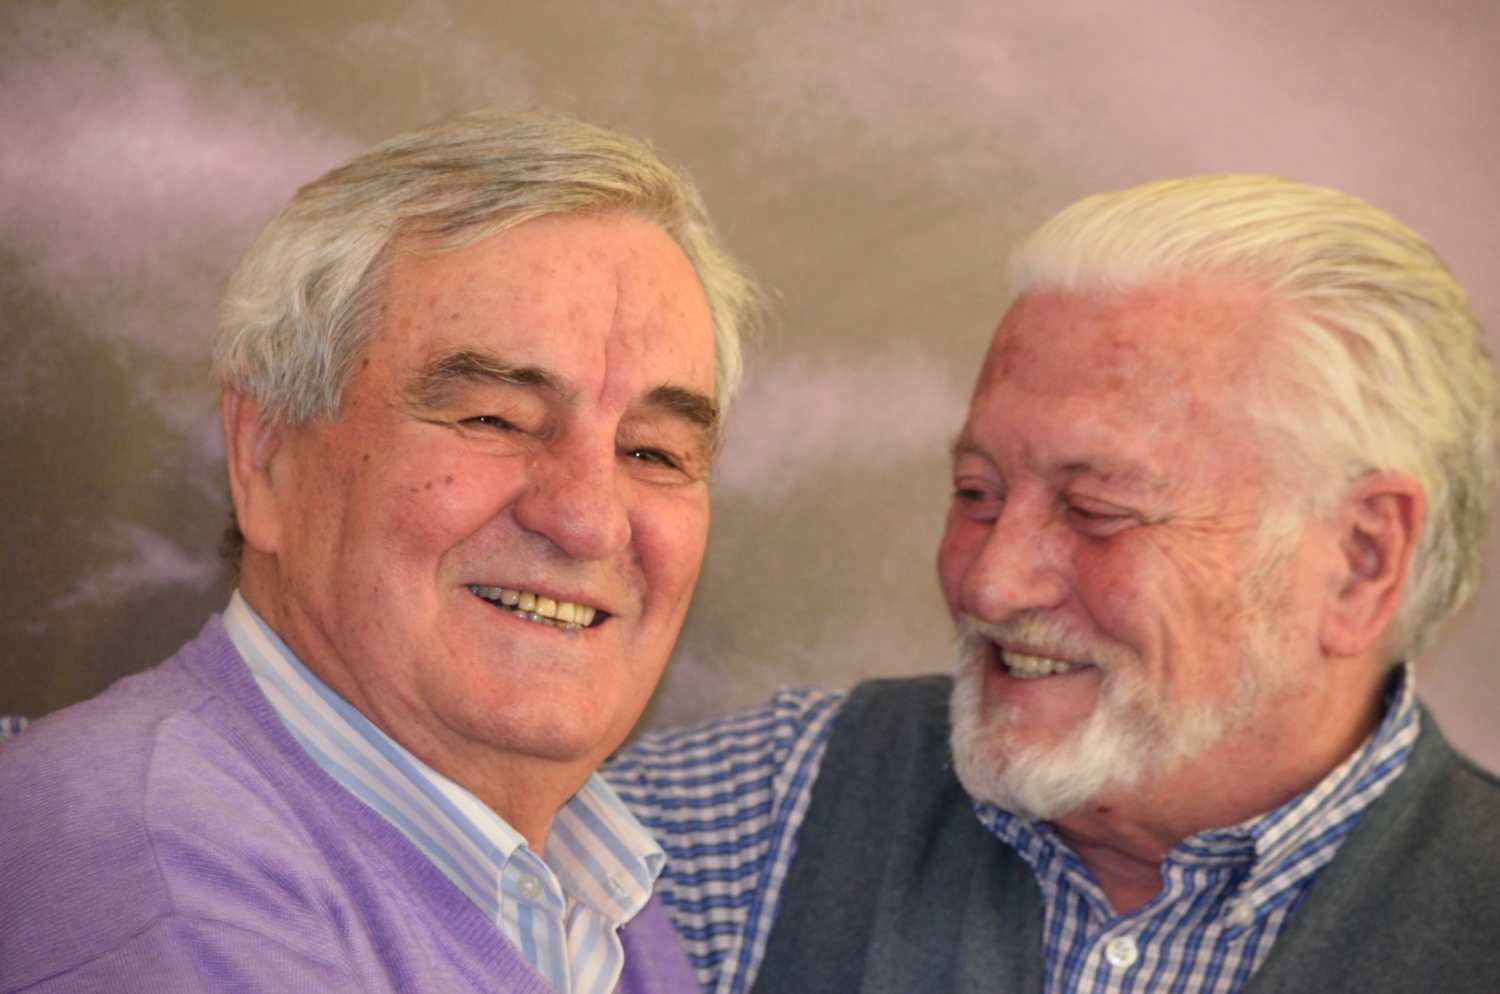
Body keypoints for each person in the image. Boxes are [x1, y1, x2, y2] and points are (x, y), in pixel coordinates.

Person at [606, 175, 1500, 994]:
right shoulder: (762, 817)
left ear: (1361, 559)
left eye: (1095, 509)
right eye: (977, 494)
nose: (991, 585)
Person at [0, 111, 755, 994]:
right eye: (495, 419)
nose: (588, 521)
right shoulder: (166, 890)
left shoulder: (590, 887)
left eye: (653, 453)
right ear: (266, 454)